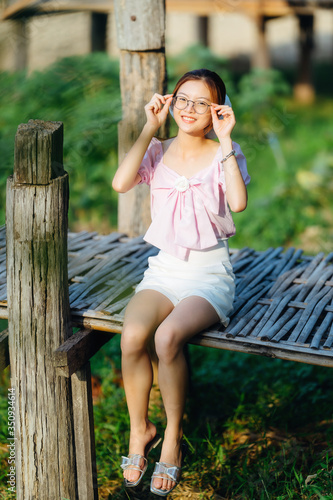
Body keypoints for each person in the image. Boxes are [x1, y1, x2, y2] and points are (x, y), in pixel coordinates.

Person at [112, 68, 250, 496]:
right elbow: (120, 183)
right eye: (183, 99)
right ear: (171, 102)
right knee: (132, 334)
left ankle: (172, 438)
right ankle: (141, 431)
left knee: (168, 337)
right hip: (165, 269)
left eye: (202, 103)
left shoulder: (225, 150)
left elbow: (239, 203)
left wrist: (226, 140)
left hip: (208, 276)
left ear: (216, 111)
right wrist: (149, 127)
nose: (190, 109)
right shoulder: (158, 149)